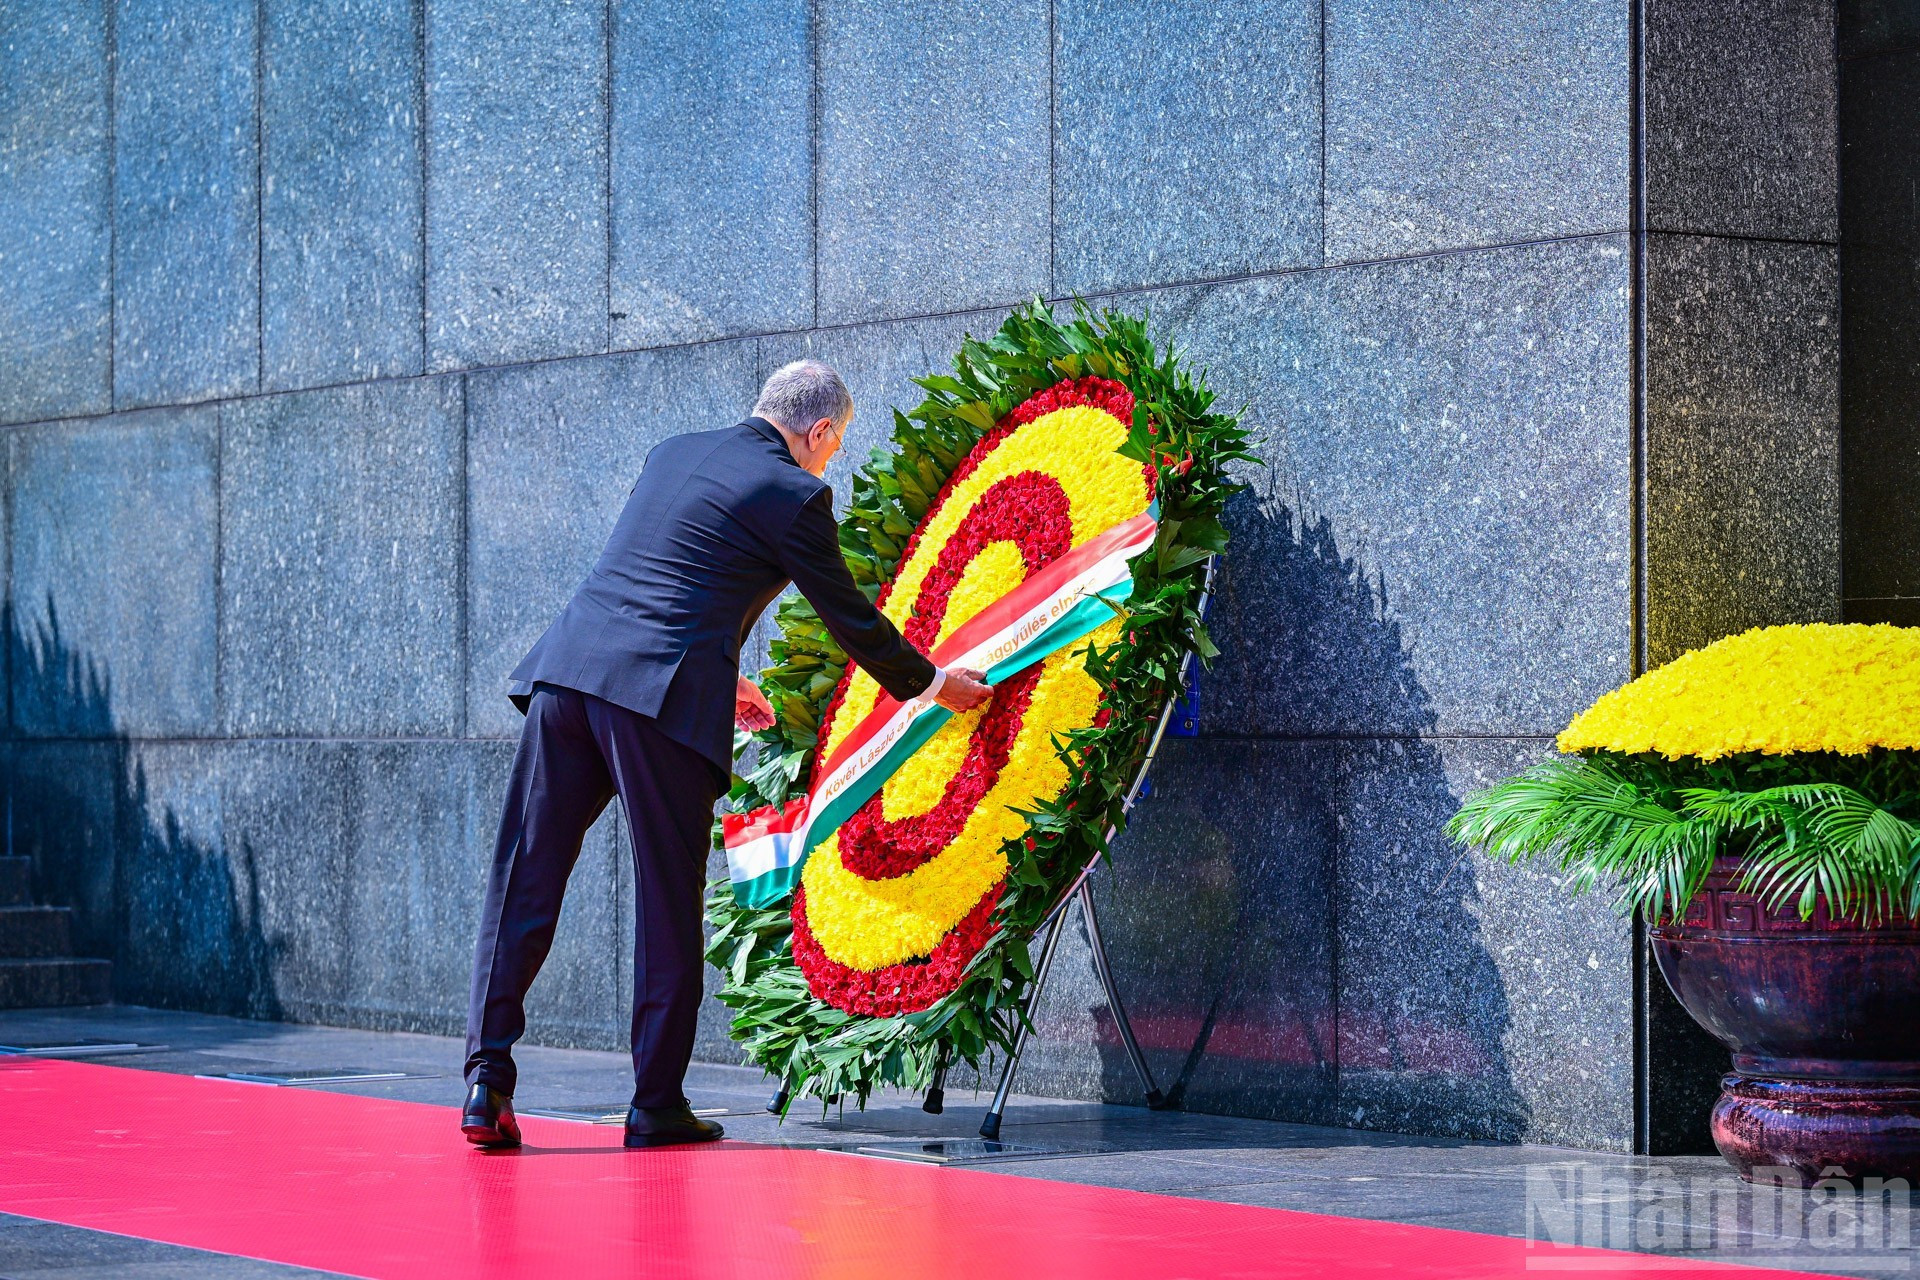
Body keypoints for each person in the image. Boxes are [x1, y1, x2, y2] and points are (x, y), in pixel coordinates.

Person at [460, 360, 992, 1149]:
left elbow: (667, 575)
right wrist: (936, 683)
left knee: (525, 876)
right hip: (658, 707)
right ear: (820, 432)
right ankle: (655, 1103)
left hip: (567, 676)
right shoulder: (794, 493)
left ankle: (485, 1082)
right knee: (667, 900)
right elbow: (850, 619)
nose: (828, 462)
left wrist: (724, 671)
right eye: (833, 446)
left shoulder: (673, 451)